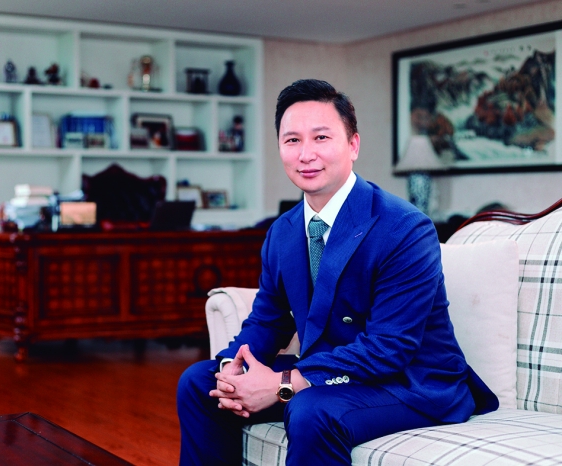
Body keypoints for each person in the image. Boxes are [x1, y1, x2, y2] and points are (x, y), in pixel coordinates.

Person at [176, 79, 498, 465]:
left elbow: (389, 348)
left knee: (311, 409)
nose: (306, 154)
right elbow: (268, 320)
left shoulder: (404, 227)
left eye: (321, 137)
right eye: (292, 140)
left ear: (353, 145)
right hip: (330, 372)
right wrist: (233, 368)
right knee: (200, 383)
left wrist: (282, 383)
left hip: (410, 382)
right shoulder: (283, 231)